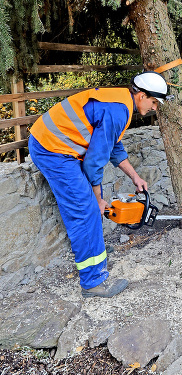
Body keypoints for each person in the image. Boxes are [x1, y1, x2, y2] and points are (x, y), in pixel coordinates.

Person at [28, 72, 172, 298]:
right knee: (85, 209)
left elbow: (113, 146)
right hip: (52, 149)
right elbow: (94, 162)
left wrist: (135, 176)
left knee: (88, 206)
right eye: (154, 102)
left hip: (57, 145)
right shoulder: (118, 110)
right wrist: (98, 197)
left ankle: (96, 252)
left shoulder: (121, 101)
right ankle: (93, 281)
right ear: (142, 96)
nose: (155, 107)